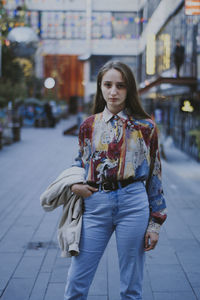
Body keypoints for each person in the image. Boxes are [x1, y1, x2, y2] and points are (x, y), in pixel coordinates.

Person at [64, 60, 167, 300]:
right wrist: (73, 185)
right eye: (107, 85)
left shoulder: (145, 127)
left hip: (133, 203)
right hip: (95, 204)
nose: (113, 92)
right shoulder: (89, 126)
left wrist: (155, 223)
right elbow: (79, 162)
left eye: (120, 86)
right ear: (99, 87)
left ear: (129, 89)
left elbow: (155, 174)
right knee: (76, 282)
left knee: (131, 288)